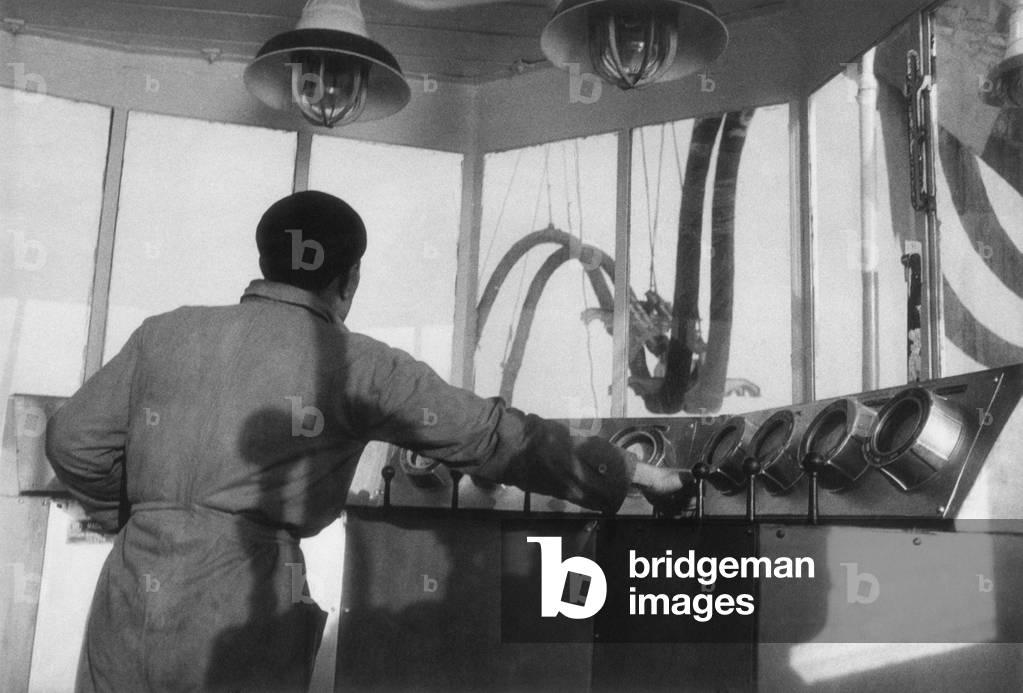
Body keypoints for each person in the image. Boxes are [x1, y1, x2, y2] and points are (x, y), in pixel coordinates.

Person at [45, 190, 689, 692]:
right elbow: (493, 438)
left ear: (266, 259)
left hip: (132, 588)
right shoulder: (360, 366)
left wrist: (140, 521)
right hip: (239, 598)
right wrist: (626, 472)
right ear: (348, 281)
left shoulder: (166, 333)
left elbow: (73, 441)